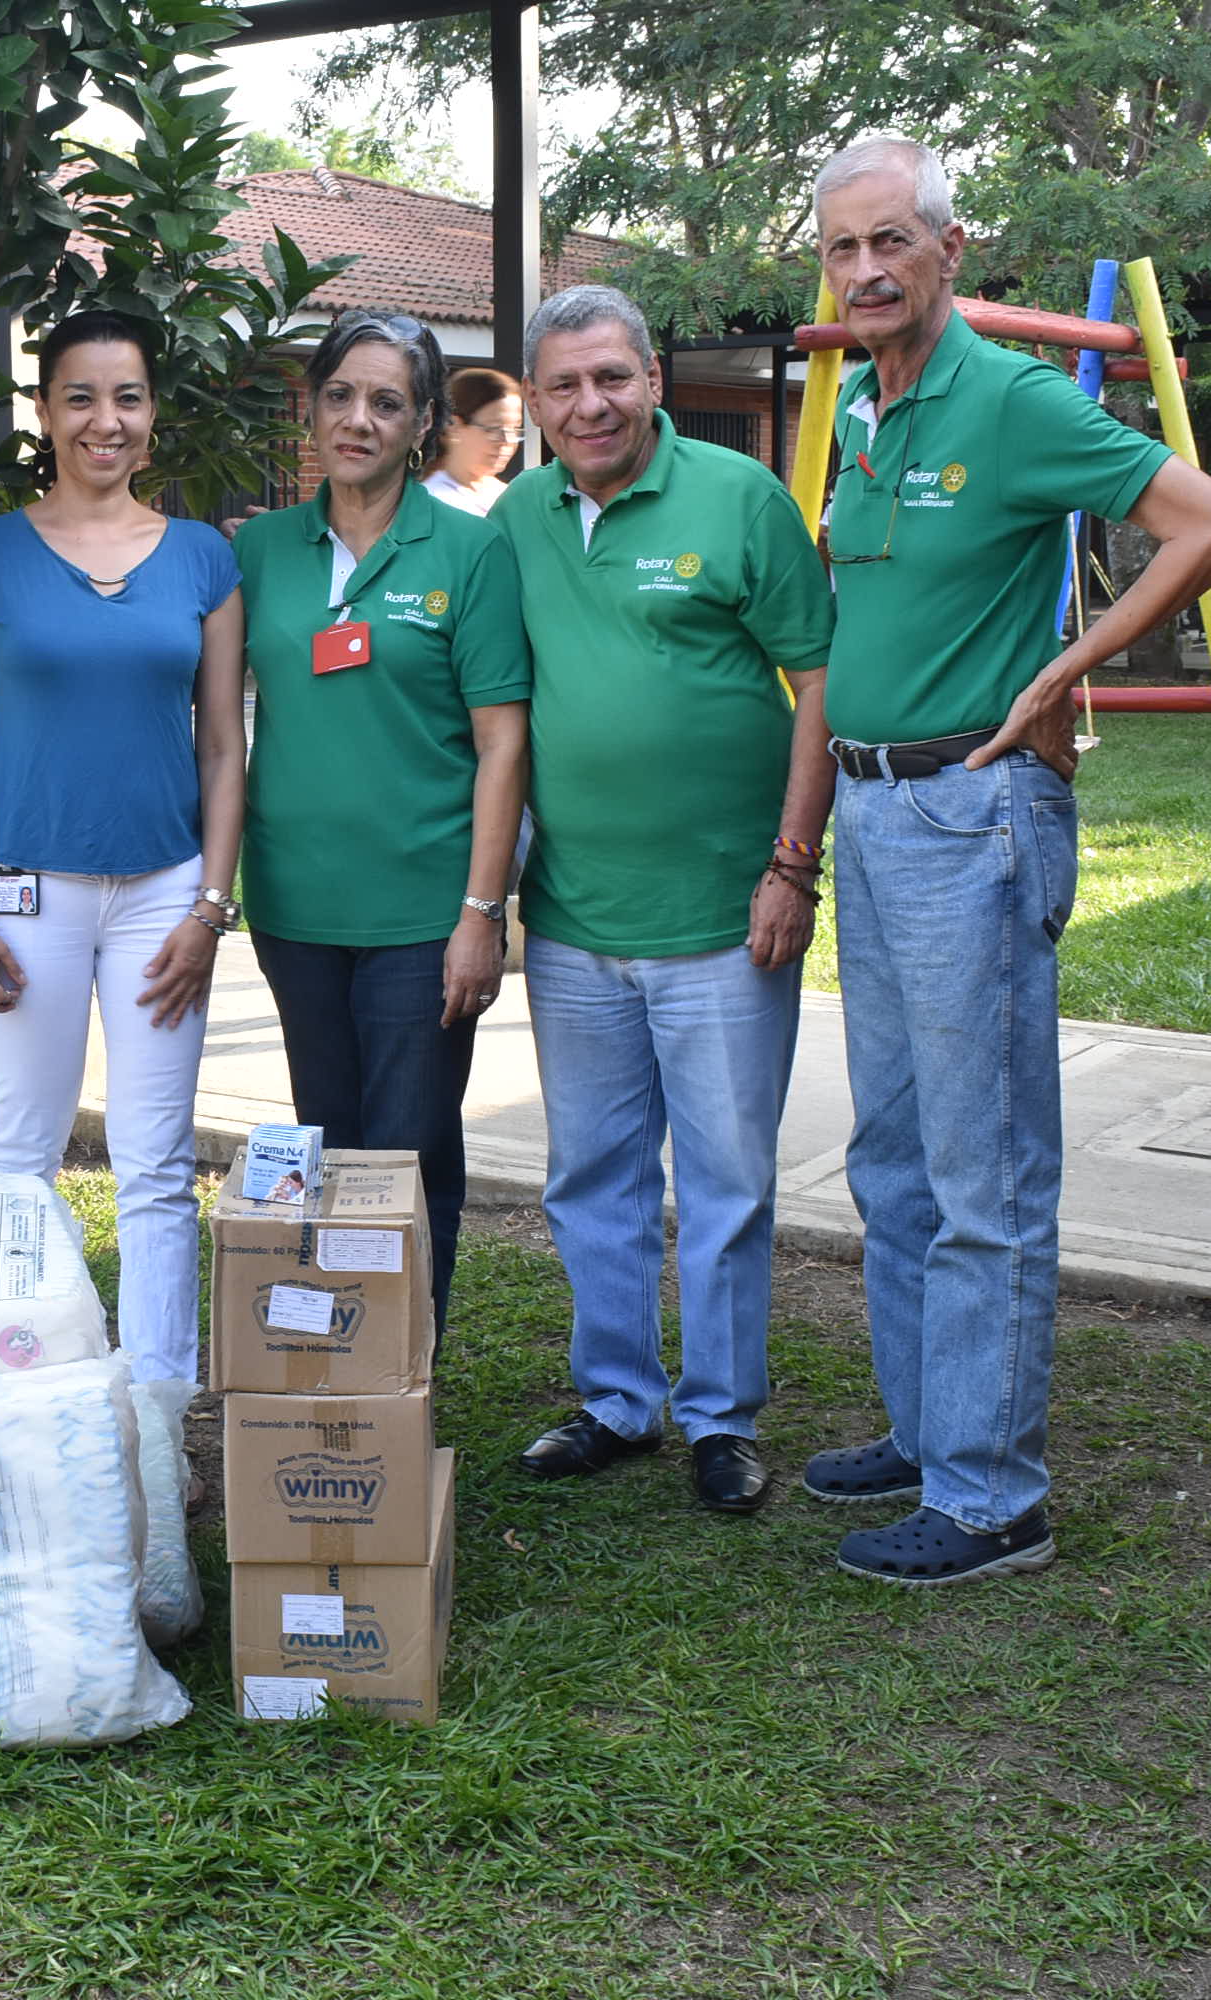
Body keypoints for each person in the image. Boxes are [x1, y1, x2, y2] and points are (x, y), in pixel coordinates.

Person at [802, 136, 1211, 1582]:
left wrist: (1070, 666)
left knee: (982, 1168)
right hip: (875, 811)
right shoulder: (868, 408)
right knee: (891, 1159)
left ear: (951, 249)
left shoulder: (1008, 399)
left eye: (892, 240)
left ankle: (992, 1497)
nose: (867, 269)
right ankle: (929, 1430)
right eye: (843, 247)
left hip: (969, 815)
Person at [488, 284, 837, 1516]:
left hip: (727, 918)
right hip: (573, 918)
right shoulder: (514, 520)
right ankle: (617, 1398)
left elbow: (820, 681)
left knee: (727, 1181)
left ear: (651, 379)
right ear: (534, 402)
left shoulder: (739, 500)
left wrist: (791, 865)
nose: (589, 404)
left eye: (610, 377)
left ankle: (722, 1414)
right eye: (563, 384)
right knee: (591, 1173)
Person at [0, 309, 249, 1386]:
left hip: (165, 896)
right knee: (23, 1151)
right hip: (23, 893)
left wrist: (210, 908)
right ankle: (15, 1386)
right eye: (80, 397)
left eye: (127, 397)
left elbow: (222, 747)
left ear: (152, 415)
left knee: (156, 1164)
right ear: (45, 411)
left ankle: (159, 1405)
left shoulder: (204, 558)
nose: (104, 420)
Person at [236, 309, 532, 1322]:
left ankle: (399, 1375)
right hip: (294, 908)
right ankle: (332, 1348)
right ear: (310, 409)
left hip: (423, 912)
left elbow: (502, 744)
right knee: (321, 1147)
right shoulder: (259, 550)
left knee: (405, 1155)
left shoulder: (470, 551)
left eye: (387, 402)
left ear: (421, 426)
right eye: (340, 395)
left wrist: (482, 911)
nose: (358, 419)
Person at [422, 364, 523, 515]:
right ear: (454, 426)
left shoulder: (511, 496)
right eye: (494, 429)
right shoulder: (432, 504)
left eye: (514, 428)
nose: (507, 441)